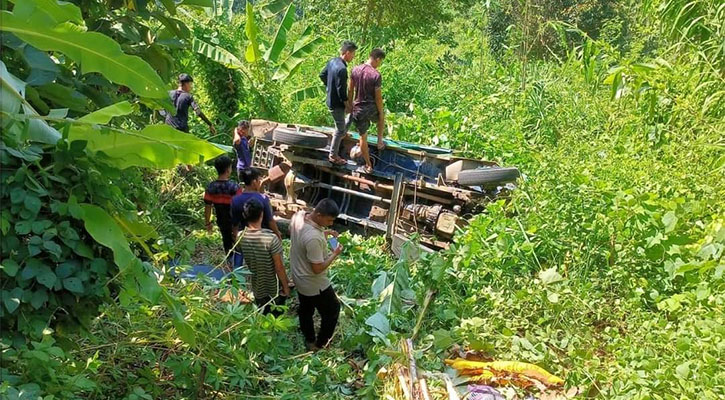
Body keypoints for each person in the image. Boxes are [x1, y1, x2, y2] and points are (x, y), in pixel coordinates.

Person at [290, 199, 344, 351]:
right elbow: (317, 268)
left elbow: (303, 237)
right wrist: (335, 254)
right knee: (333, 309)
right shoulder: (314, 238)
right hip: (313, 282)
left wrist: (324, 233)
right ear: (319, 215)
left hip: (298, 274)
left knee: (306, 308)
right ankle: (321, 343)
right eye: (329, 220)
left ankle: (309, 339)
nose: (331, 224)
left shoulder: (299, 216)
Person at [238, 199, 290, 316]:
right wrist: (286, 286)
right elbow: (279, 267)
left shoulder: (240, 236)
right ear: (262, 214)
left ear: (244, 215)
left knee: (261, 311)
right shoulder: (271, 239)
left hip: (255, 284)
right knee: (274, 313)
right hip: (273, 286)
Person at [348, 48, 386, 173]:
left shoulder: (355, 70)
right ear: (377, 59)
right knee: (381, 116)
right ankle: (380, 141)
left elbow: (350, 90)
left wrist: (350, 105)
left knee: (362, 137)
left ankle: (368, 165)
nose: (379, 64)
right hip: (369, 108)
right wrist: (380, 111)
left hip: (357, 108)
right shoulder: (376, 75)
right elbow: (378, 97)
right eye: (380, 62)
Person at [320, 41, 357, 166]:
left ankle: (341, 135)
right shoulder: (342, 69)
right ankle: (333, 155)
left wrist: (328, 86)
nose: (353, 57)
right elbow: (342, 92)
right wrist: (348, 105)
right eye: (353, 54)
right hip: (337, 104)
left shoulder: (332, 62)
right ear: (347, 53)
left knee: (341, 124)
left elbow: (322, 75)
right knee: (340, 129)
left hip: (330, 100)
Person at [203, 155, 241, 257]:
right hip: (235, 221)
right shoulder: (234, 187)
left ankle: (229, 262)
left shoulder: (211, 187)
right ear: (228, 169)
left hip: (222, 220)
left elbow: (208, 207)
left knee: (226, 241)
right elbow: (240, 205)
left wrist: (208, 223)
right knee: (238, 243)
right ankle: (238, 264)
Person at [230, 167, 282, 240]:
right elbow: (270, 221)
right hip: (262, 237)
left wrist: (235, 237)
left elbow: (234, 223)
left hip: (244, 237)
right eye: (259, 180)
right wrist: (278, 235)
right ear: (254, 182)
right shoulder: (263, 199)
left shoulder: (235, 199)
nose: (260, 183)